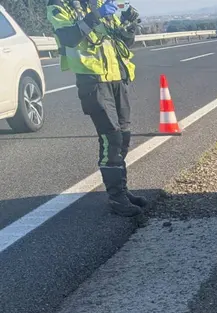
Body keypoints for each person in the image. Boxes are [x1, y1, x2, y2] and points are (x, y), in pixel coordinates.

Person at [47, 0, 146, 217]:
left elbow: (124, 42)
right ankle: (116, 198)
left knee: (124, 137)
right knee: (112, 138)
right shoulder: (59, 7)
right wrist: (96, 15)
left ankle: (122, 190)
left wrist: (129, 24)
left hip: (117, 78)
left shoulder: (101, 3)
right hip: (93, 81)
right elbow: (69, 38)